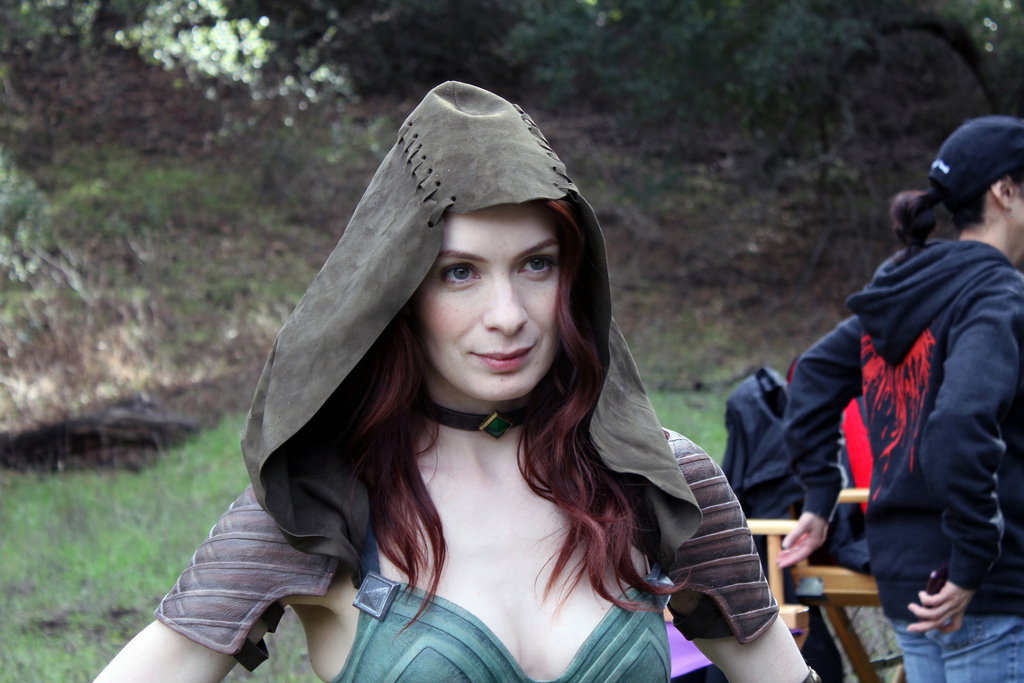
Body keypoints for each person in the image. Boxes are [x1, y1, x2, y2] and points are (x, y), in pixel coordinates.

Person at [95, 81, 815, 682]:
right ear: (400, 292)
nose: (509, 315)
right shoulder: (319, 501)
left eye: (536, 264)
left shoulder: (659, 481)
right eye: (460, 273)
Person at [779, 115, 1024, 681]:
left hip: (904, 577)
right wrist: (971, 561)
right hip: (983, 589)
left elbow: (811, 375)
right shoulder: (995, 293)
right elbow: (958, 426)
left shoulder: (905, 288)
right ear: (1005, 191)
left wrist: (820, 498)